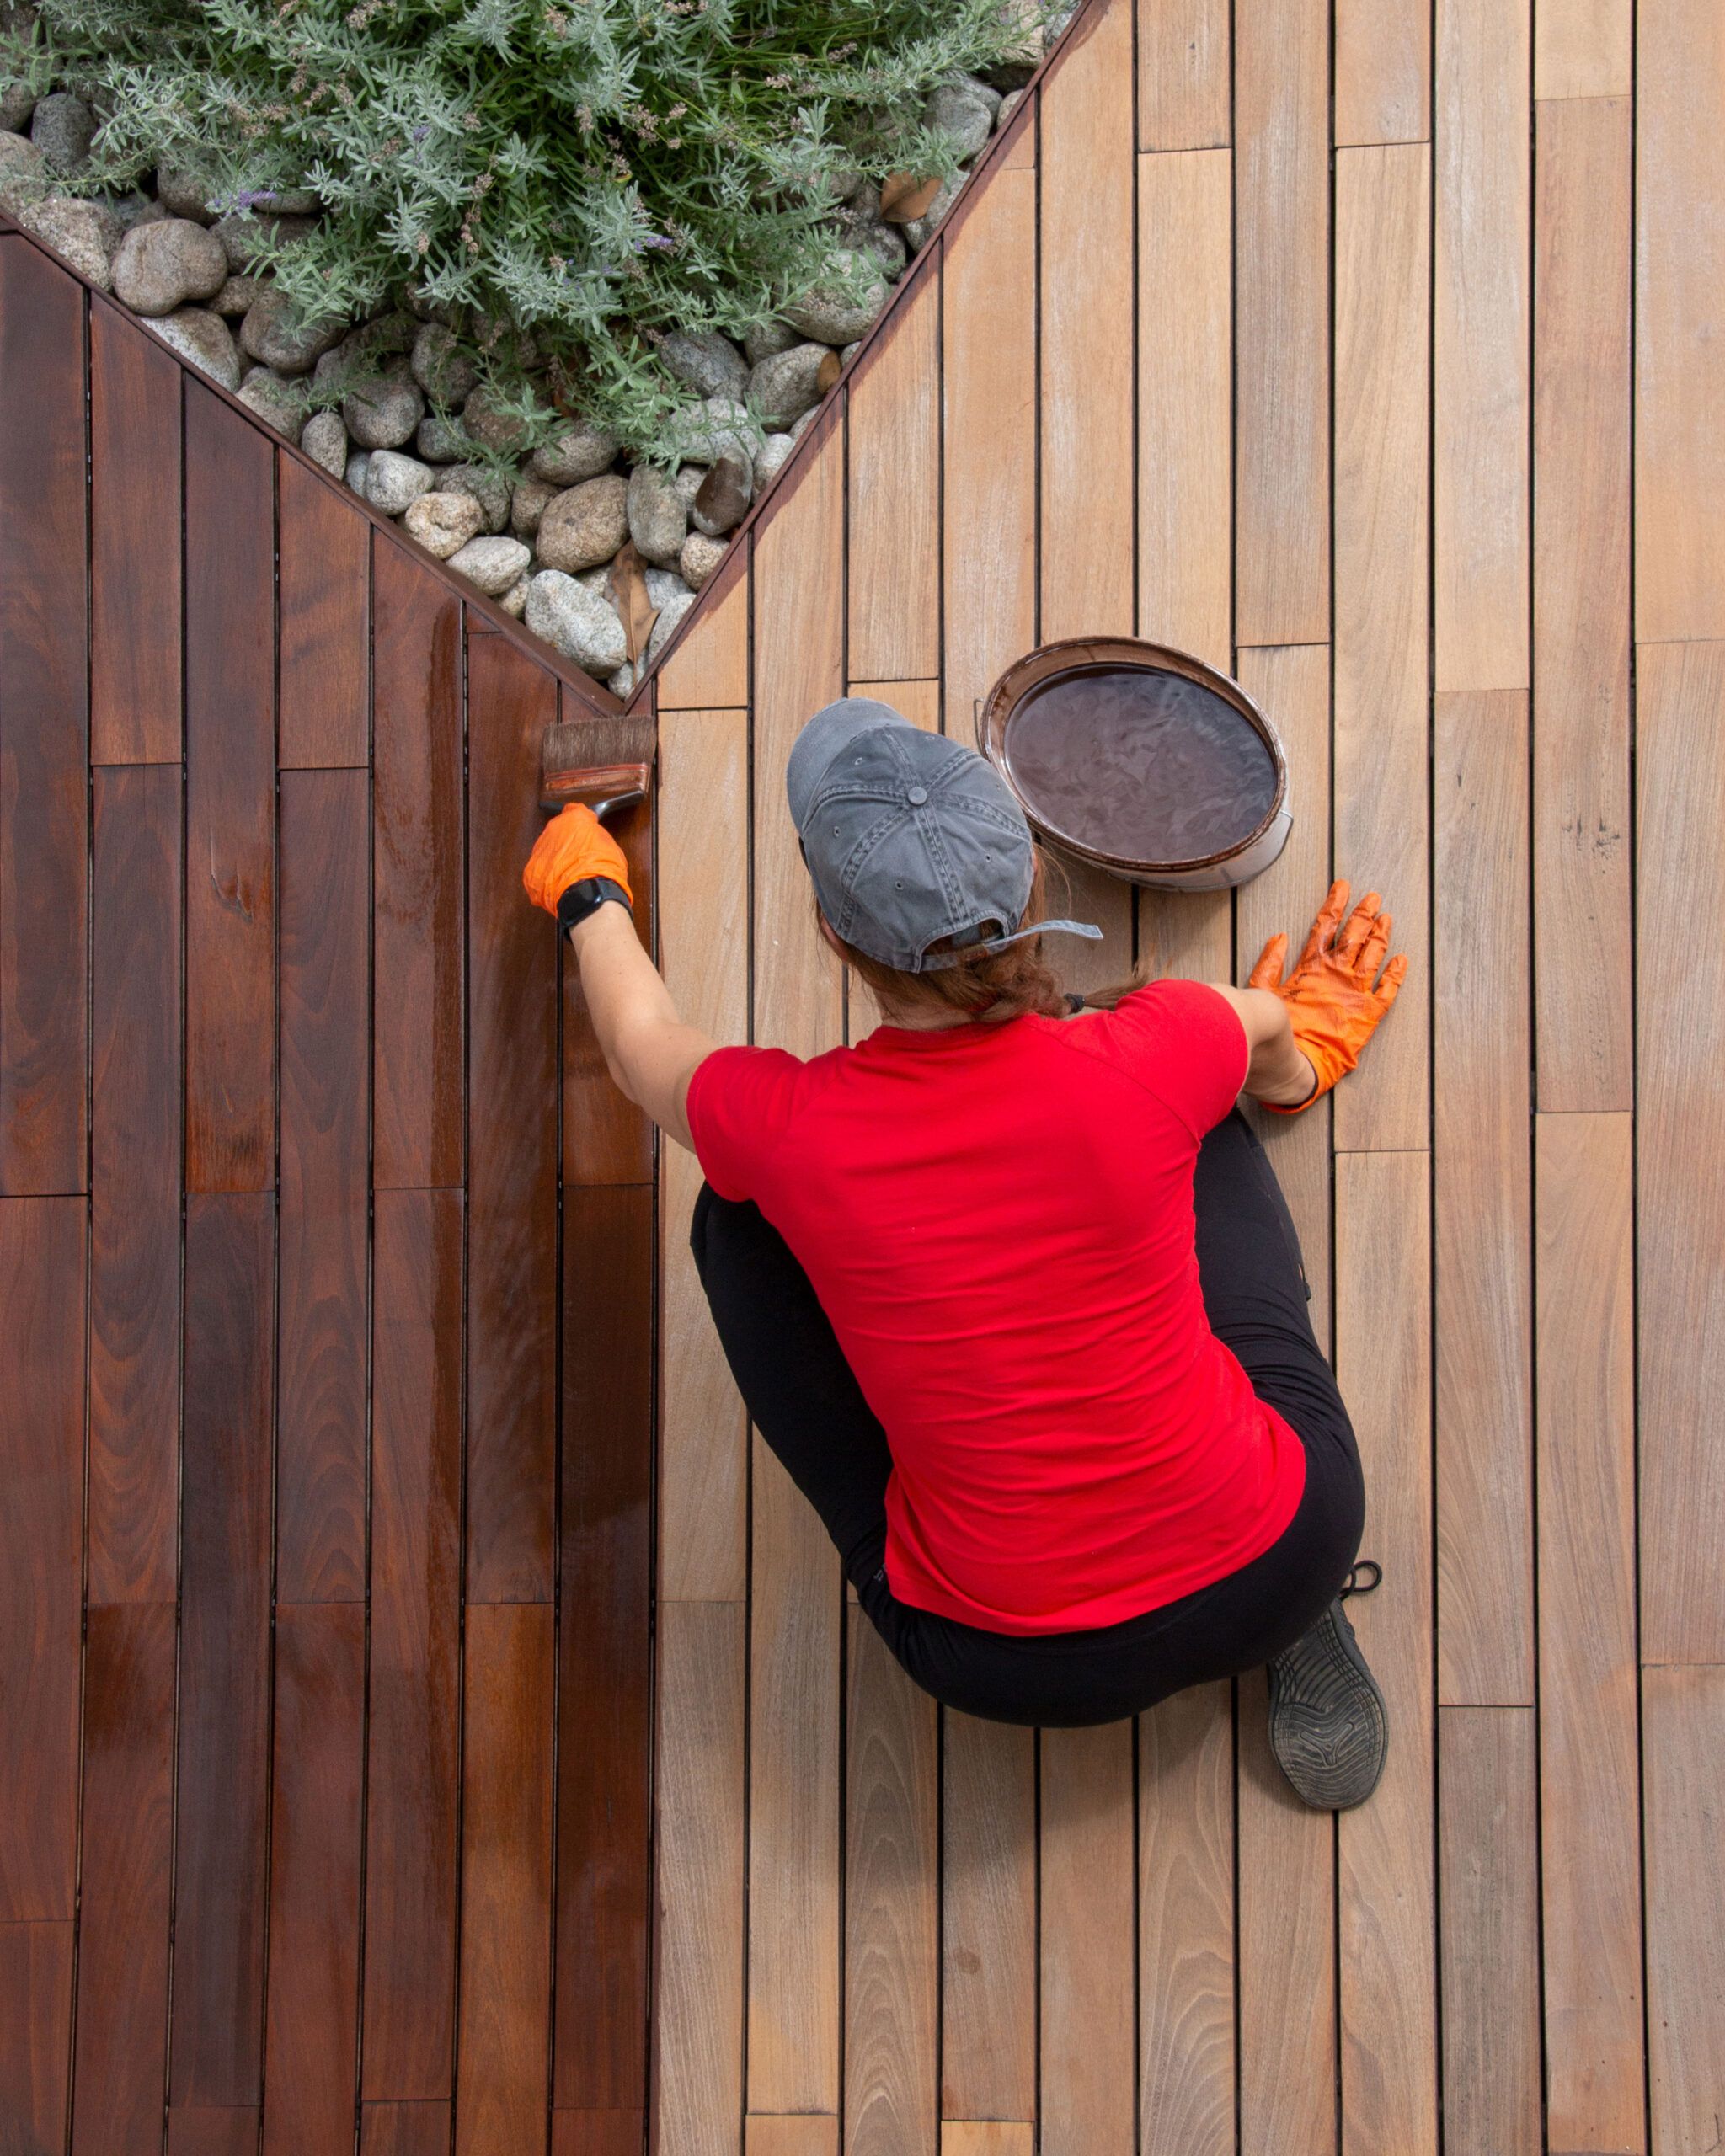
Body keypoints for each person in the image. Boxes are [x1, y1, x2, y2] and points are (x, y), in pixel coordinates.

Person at [524, 696, 1407, 1807]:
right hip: (1280, 1556)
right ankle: (1291, 1623)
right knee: (1206, 1101)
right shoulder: (1161, 1040)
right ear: (1034, 880)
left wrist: (585, 887)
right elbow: (1266, 1037)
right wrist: (1308, 1057)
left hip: (1007, 1662)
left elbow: (639, 1043)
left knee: (734, 1220)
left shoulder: (786, 1126)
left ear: (834, 936)